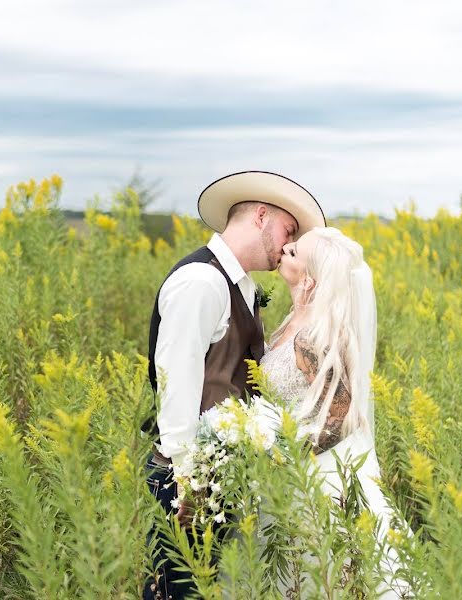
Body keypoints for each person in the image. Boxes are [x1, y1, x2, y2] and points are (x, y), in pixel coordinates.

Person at [143, 171, 326, 600]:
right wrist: (189, 482)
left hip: (216, 475)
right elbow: (176, 382)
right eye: (288, 229)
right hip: (188, 479)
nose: (288, 244)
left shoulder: (240, 286)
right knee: (179, 590)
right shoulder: (201, 282)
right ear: (261, 216)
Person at [259, 226, 407, 598]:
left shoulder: (313, 337)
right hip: (293, 467)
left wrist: (283, 450)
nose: (286, 247)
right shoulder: (293, 323)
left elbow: (341, 416)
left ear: (310, 278)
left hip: (319, 477)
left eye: (295, 252)